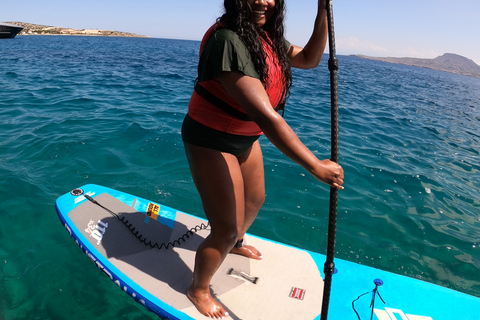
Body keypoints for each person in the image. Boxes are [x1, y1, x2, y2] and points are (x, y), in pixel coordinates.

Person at [181, 0, 344, 318]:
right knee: (225, 228)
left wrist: (322, 11)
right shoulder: (226, 39)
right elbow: (267, 117)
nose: (261, 1)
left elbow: (310, 59)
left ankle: (236, 243)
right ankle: (198, 287)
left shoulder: (266, 37)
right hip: (211, 140)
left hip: (244, 138)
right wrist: (315, 165)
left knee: (255, 199)